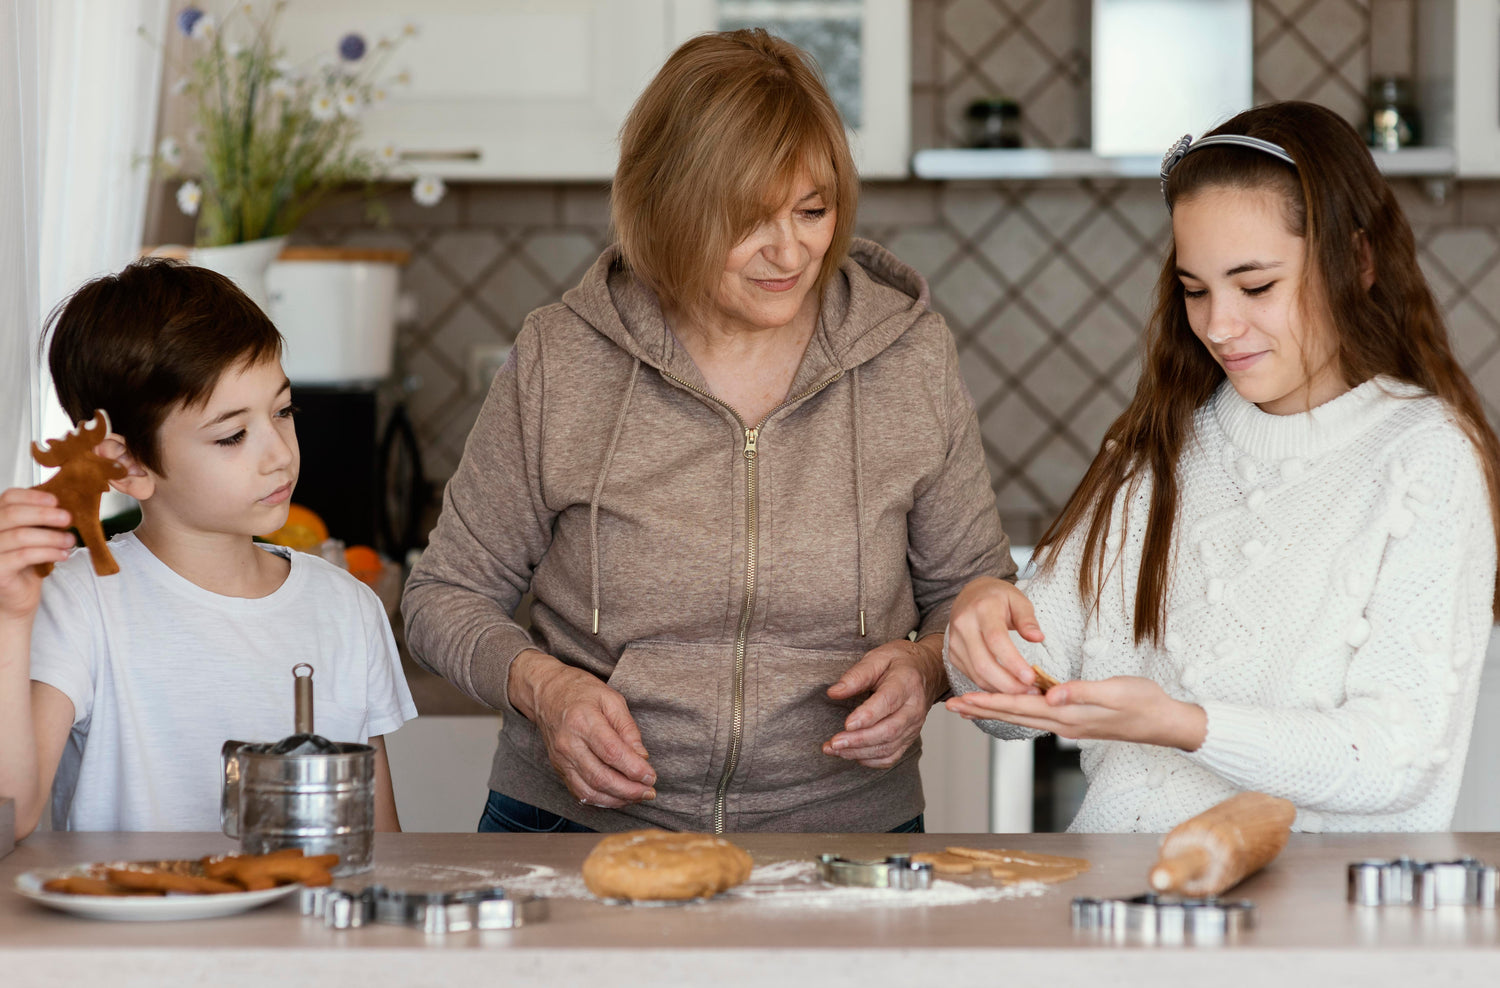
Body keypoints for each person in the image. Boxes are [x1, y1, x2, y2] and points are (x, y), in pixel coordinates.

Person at [402, 29, 1036, 835]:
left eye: (813, 210)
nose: (790, 249)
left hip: (840, 838)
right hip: (575, 832)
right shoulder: (561, 356)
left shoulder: (908, 355)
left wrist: (924, 665)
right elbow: (443, 595)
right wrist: (544, 689)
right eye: (748, 220)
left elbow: (972, 591)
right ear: (668, 206)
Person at [944, 100, 1500, 833]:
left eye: (1256, 286)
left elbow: (1397, 758)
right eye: (1196, 290)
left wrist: (1186, 725)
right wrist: (983, 630)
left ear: (1357, 261)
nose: (1219, 326)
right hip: (1119, 910)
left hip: (1316, 932)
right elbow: (1014, 706)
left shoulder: (1424, 457)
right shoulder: (1157, 452)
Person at [0, 259, 417, 838]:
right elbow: (10, 816)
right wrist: (10, 620)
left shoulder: (347, 607)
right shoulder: (78, 603)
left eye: (283, 411)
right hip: (138, 931)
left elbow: (380, 843)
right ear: (127, 464)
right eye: (233, 435)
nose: (278, 453)